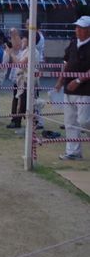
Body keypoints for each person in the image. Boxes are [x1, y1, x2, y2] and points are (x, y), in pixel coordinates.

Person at [55, 16, 90, 160]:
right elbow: (66, 63)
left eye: (80, 28)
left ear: (88, 30)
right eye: (76, 27)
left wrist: (78, 80)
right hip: (69, 89)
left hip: (86, 90)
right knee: (69, 122)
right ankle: (73, 152)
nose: (77, 30)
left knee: (84, 121)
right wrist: (60, 81)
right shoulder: (72, 43)